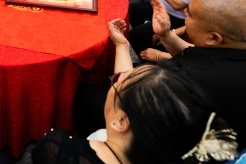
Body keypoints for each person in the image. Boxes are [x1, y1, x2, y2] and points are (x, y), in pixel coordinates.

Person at [116, 0, 246, 149]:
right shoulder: (230, 51)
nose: (184, 13)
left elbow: (122, 94)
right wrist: (166, 34)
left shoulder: (184, 78)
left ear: (214, 38)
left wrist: (121, 46)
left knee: (88, 98)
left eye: (190, 15)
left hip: (168, 145)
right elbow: (195, 53)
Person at [34, 61, 238, 163]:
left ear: (121, 121)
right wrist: (122, 45)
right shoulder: (180, 147)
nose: (115, 80)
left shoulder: (57, 147)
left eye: (116, 84)